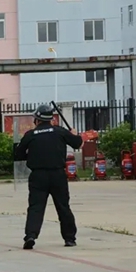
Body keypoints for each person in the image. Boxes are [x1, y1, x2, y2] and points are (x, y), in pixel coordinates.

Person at [14, 104, 84, 250]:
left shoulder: (30, 135)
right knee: (63, 206)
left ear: (37, 120)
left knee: (35, 207)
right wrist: (75, 134)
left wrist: (32, 156)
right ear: (51, 119)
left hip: (38, 176)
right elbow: (78, 144)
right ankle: (69, 238)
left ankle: (31, 236)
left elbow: (18, 154)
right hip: (58, 175)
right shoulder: (60, 131)